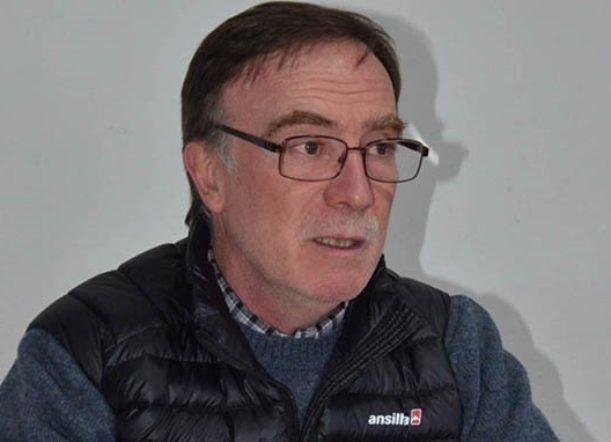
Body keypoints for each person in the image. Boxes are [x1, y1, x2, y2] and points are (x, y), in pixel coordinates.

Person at [0, 2, 556, 440]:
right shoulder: (87, 355)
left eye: (380, 146)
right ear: (210, 175)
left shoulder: (455, 349)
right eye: (310, 146)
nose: (358, 193)